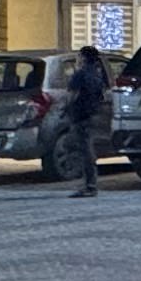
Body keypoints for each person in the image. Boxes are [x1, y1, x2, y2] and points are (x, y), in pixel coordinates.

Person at [52, 42, 111, 196]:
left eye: (79, 56)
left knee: (81, 148)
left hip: (79, 115)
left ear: (83, 58)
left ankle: (89, 185)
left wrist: (64, 109)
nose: (77, 59)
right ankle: (88, 182)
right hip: (91, 115)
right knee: (84, 148)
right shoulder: (97, 75)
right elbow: (102, 94)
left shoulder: (80, 74)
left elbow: (72, 95)